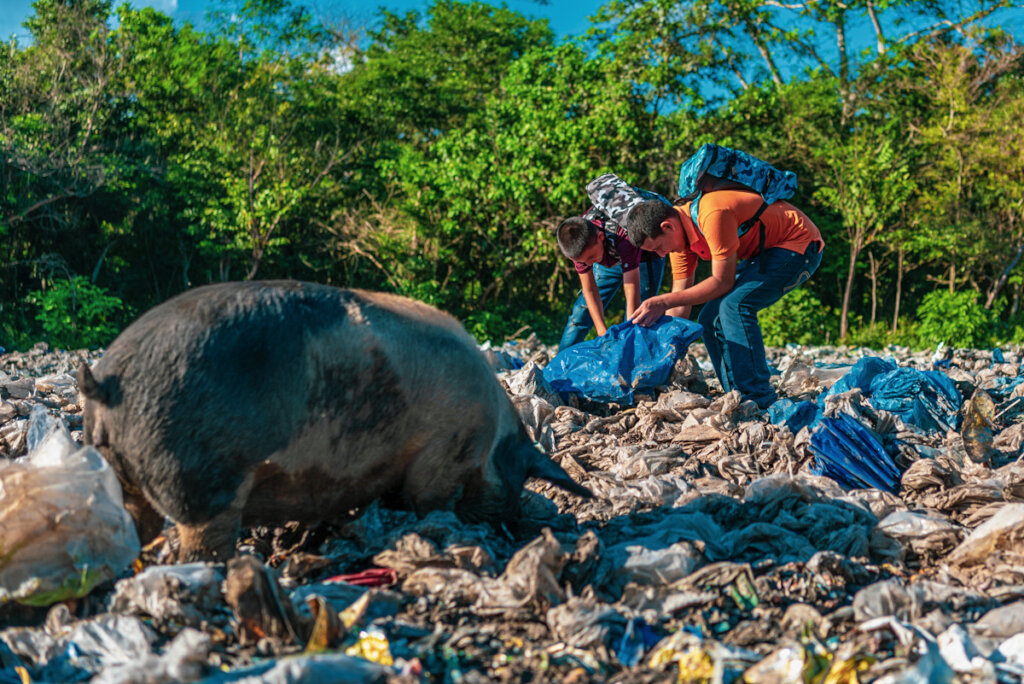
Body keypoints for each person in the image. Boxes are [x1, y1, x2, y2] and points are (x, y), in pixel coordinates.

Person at [625, 186, 824, 408]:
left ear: (667, 226)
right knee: (709, 318)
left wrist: (661, 302)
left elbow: (722, 282)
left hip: (798, 244)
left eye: (660, 247)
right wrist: (665, 353)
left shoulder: (711, 213)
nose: (662, 254)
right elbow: (680, 300)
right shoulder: (678, 238)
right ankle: (737, 395)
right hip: (763, 254)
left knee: (735, 306)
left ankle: (759, 397)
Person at [556, 207, 666, 351]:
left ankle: (637, 358)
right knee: (580, 312)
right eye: (583, 261)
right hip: (606, 258)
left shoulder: (622, 237)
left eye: (590, 258)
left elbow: (631, 285)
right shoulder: (577, 244)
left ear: (600, 237)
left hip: (643, 257)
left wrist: (629, 332)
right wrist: (602, 332)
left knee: (641, 315)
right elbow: (589, 290)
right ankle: (562, 361)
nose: (589, 264)